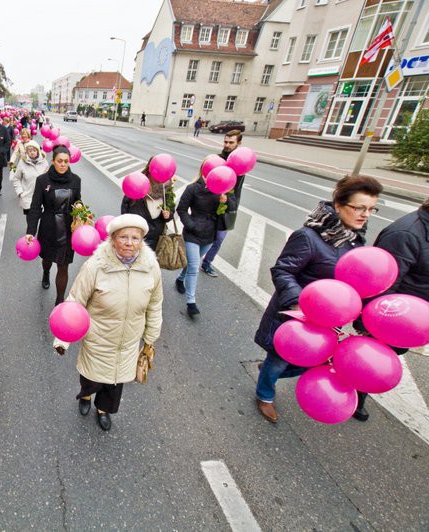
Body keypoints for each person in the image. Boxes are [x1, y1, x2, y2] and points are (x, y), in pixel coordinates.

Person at [254, 176, 383, 424]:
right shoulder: (308, 237)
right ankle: (265, 394)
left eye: (371, 209)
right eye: (359, 208)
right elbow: (282, 271)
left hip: (330, 320)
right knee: (280, 359)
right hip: (297, 317)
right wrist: (300, 303)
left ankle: (267, 372)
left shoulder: (355, 240)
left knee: (313, 361)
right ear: (338, 205)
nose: (365, 215)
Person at [53, 214, 163, 431]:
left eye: (135, 238)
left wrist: (150, 338)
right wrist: (63, 339)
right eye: (123, 237)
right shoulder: (95, 266)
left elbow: (155, 304)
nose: (129, 243)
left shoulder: (151, 267)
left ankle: (103, 409)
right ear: (112, 239)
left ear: (142, 240)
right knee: (91, 377)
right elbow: (74, 302)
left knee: (115, 382)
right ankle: (86, 395)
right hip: (98, 338)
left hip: (128, 341)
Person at [352, 196, 429, 421]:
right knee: (374, 355)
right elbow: (382, 282)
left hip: (414, 317)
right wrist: (369, 321)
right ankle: (356, 392)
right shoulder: (406, 234)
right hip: (393, 314)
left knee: (391, 351)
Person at [175, 157, 235, 317]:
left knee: (191, 262)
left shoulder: (223, 189)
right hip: (193, 234)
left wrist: (226, 201)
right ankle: (191, 303)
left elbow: (231, 208)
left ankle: (180, 278)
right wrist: (191, 225)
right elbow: (181, 209)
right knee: (194, 266)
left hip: (210, 234)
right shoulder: (193, 188)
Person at [25, 146, 82, 306]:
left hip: (67, 228)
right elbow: (36, 207)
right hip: (49, 226)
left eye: (66, 161)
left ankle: (59, 301)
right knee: (47, 259)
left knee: (63, 266)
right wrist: (30, 231)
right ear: (53, 161)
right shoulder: (42, 180)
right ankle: (46, 271)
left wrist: (79, 206)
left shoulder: (76, 180)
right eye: (59, 161)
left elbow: (77, 200)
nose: (63, 164)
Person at [201, 130, 246, 278]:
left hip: (229, 206)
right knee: (203, 236)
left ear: (239, 143)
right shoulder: (217, 160)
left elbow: (237, 189)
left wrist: (232, 204)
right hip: (211, 205)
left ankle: (207, 263)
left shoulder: (241, 164)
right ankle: (191, 263)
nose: (227, 145)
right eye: (225, 142)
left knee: (219, 239)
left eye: (231, 142)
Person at [120, 159, 174, 249]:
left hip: (156, 239)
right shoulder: (137, 184)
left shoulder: (166, 189)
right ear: (150, 169)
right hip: (136, 237)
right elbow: (124, 210)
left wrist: (168, 215)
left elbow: (171, 210)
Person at [11, 140, 48, 218]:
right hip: (28, 198)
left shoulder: (44, 162)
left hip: (42, 198)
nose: (32, 152)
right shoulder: (22, 162)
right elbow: (16, 178)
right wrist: (20, 192)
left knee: (43, 221)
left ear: (38, 151)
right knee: (31, 222)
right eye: (30, 151)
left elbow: (48, 178)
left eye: (34, 150)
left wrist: (48, 189)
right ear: (27, 152)